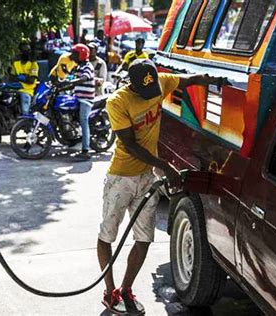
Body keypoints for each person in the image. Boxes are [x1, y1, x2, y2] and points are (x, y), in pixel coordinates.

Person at [98, 59, 226, 315]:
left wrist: (214, 80)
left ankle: (125, 289)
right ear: (132, 85)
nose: (152, 95)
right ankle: (110, 292)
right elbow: (131, 145)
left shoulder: (162, 81)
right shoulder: (117, 102)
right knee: (108, 235)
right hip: (121, 177)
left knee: (144, 238)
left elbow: (190, 80)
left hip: (147, 178)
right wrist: (165, 166)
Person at [66, 44, 96, 160]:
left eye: (75, 54)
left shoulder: (87, 66)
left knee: (84, 121)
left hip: (85, 100)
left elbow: (84, 78)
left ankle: (85, 150)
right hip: (76, 98)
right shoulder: (78, 67)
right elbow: (71, 79)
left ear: (81, 55)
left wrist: (73, 82)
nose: (72, 56)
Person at [10, 42, 39, 115]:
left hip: (26, 90)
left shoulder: (33, 64)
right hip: (15, 89)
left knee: (25, 111)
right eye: (25, 50)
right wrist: (24, 78)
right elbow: (11, 77)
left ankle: (25, 122)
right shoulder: (15, 63)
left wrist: (19, 78)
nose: (28, 52)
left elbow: (31, 80)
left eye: (29, 50)